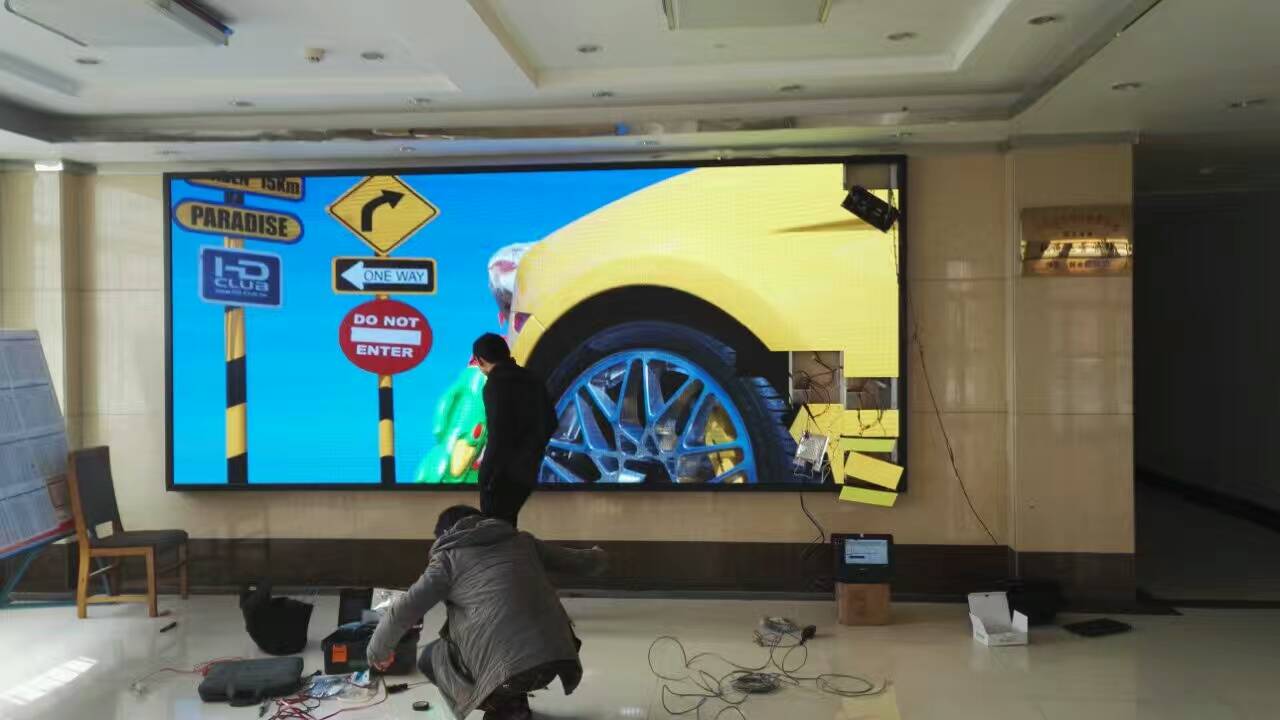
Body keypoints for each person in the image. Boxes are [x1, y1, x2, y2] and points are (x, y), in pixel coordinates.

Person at [367, 505, 606, 720]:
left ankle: (504, 706)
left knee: (430, 658)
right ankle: (512, 697)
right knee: (505, 645)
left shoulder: (447, 559)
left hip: (513, 671)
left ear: (445, 535)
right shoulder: (522, 542)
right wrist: (601, 556)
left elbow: (404, 610)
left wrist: (378, 653)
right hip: (558, 659)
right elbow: (581, 562)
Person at [472, 333, 557, 528]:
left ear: (480, 360)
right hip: (527, 471)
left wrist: (486, 475)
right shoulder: (533, 379)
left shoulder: (495, 384)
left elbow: (498, 434)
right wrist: (531, 451)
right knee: (508, 526)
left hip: (501, 474)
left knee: (493, 531)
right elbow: (551, 422)